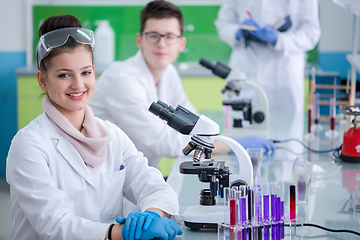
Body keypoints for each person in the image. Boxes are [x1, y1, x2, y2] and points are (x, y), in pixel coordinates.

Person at [6, 15, 183, 240]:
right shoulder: (29, 144)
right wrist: (124, 233)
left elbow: (154, 185)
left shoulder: (112, 135)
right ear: (42, 80)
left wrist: (151, 215)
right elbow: (55, 224)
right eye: (64, 75)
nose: (78, 84)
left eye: (86, 72)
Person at [88, 0, 275, 168]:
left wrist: (226, 140)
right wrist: (233, 145)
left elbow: (194, 124)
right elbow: (164, 142)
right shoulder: (122, 79)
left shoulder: (168, 73)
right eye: (153, 35)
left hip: (134, 172)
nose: (161, 44)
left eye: (169, 36)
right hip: (105, 174)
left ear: (181, 43)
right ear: (140, 39)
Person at [215, 0, 321, 113]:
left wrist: (279, 39)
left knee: (285, 125)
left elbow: (311, 32)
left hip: (284, 72)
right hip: (245, 68)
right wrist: (237, 32)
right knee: (238, 124)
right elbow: (223, 23)